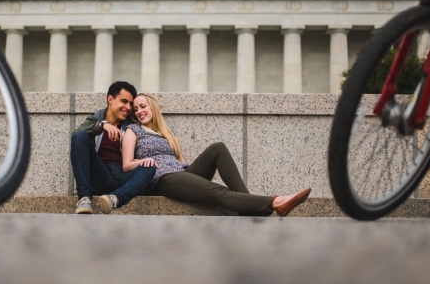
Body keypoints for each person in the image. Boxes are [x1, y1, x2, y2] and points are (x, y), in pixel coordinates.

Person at [122, 93, 311, 216]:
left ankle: (247, 203)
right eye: (136, 109)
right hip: (162, 179)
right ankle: (276, 202)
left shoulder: (168, 134)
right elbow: (126, 165)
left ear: (153, 107)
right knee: (217, 192)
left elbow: (182, 163)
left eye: (143, 106)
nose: (139, 112)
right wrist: (143, 162)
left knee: (218, 148)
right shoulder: (133, 131)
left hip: (181, 174)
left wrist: (188, 172)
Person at [71, 81, 156, 214]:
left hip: (124, 177)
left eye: (130, 104)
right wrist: (102, 125)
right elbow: (76, 136)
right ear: (110, 99)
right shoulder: (96, 119)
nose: (128, 107)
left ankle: (115, 198)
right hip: (100, 175)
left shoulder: (132, 125)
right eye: (124, 101)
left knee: (150, 166)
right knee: (80, 136)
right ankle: (84, 198)